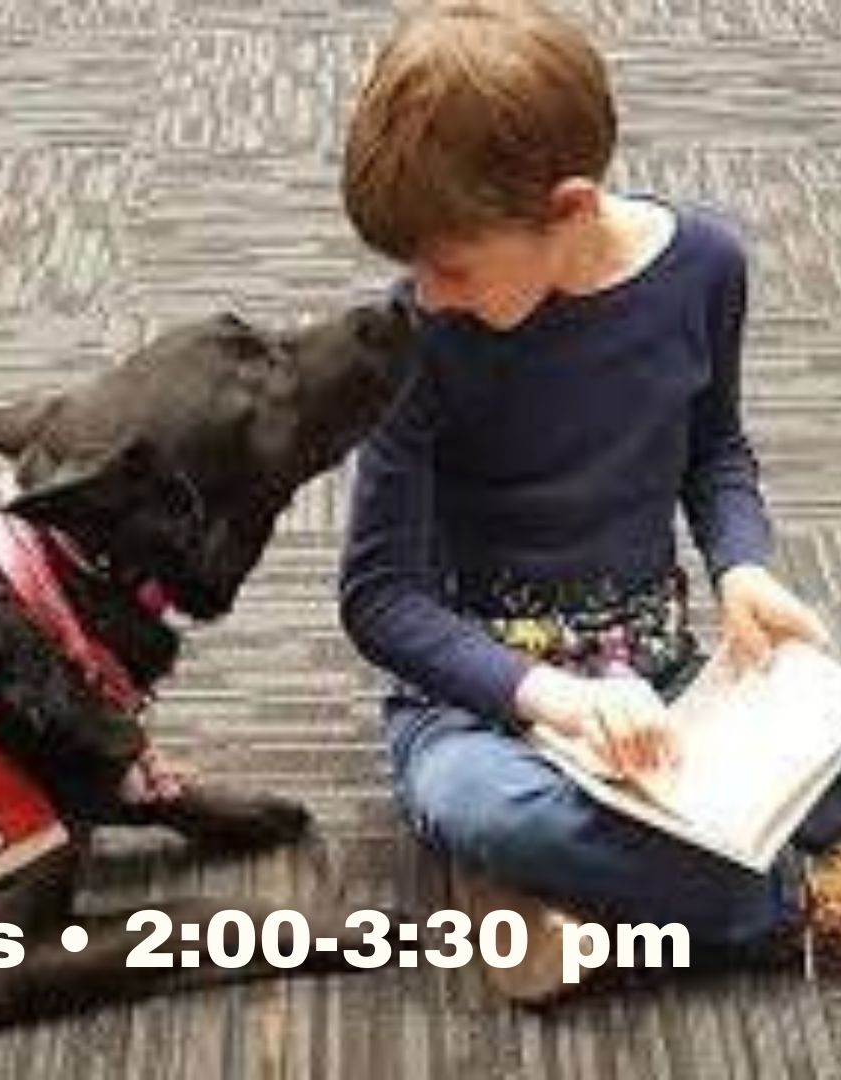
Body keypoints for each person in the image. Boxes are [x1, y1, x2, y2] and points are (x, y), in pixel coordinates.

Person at [338, 0, 838, 998]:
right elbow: (380, 598)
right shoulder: (416, 339)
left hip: (662, 678)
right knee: (484, 805)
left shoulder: (705, 268)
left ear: (569, 209)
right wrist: (555, 702)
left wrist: (742, 564)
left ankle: (588, 897)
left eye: (452, 266)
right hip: (479, 706)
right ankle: (784, 906)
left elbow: (716, 450)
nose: (428, 294)